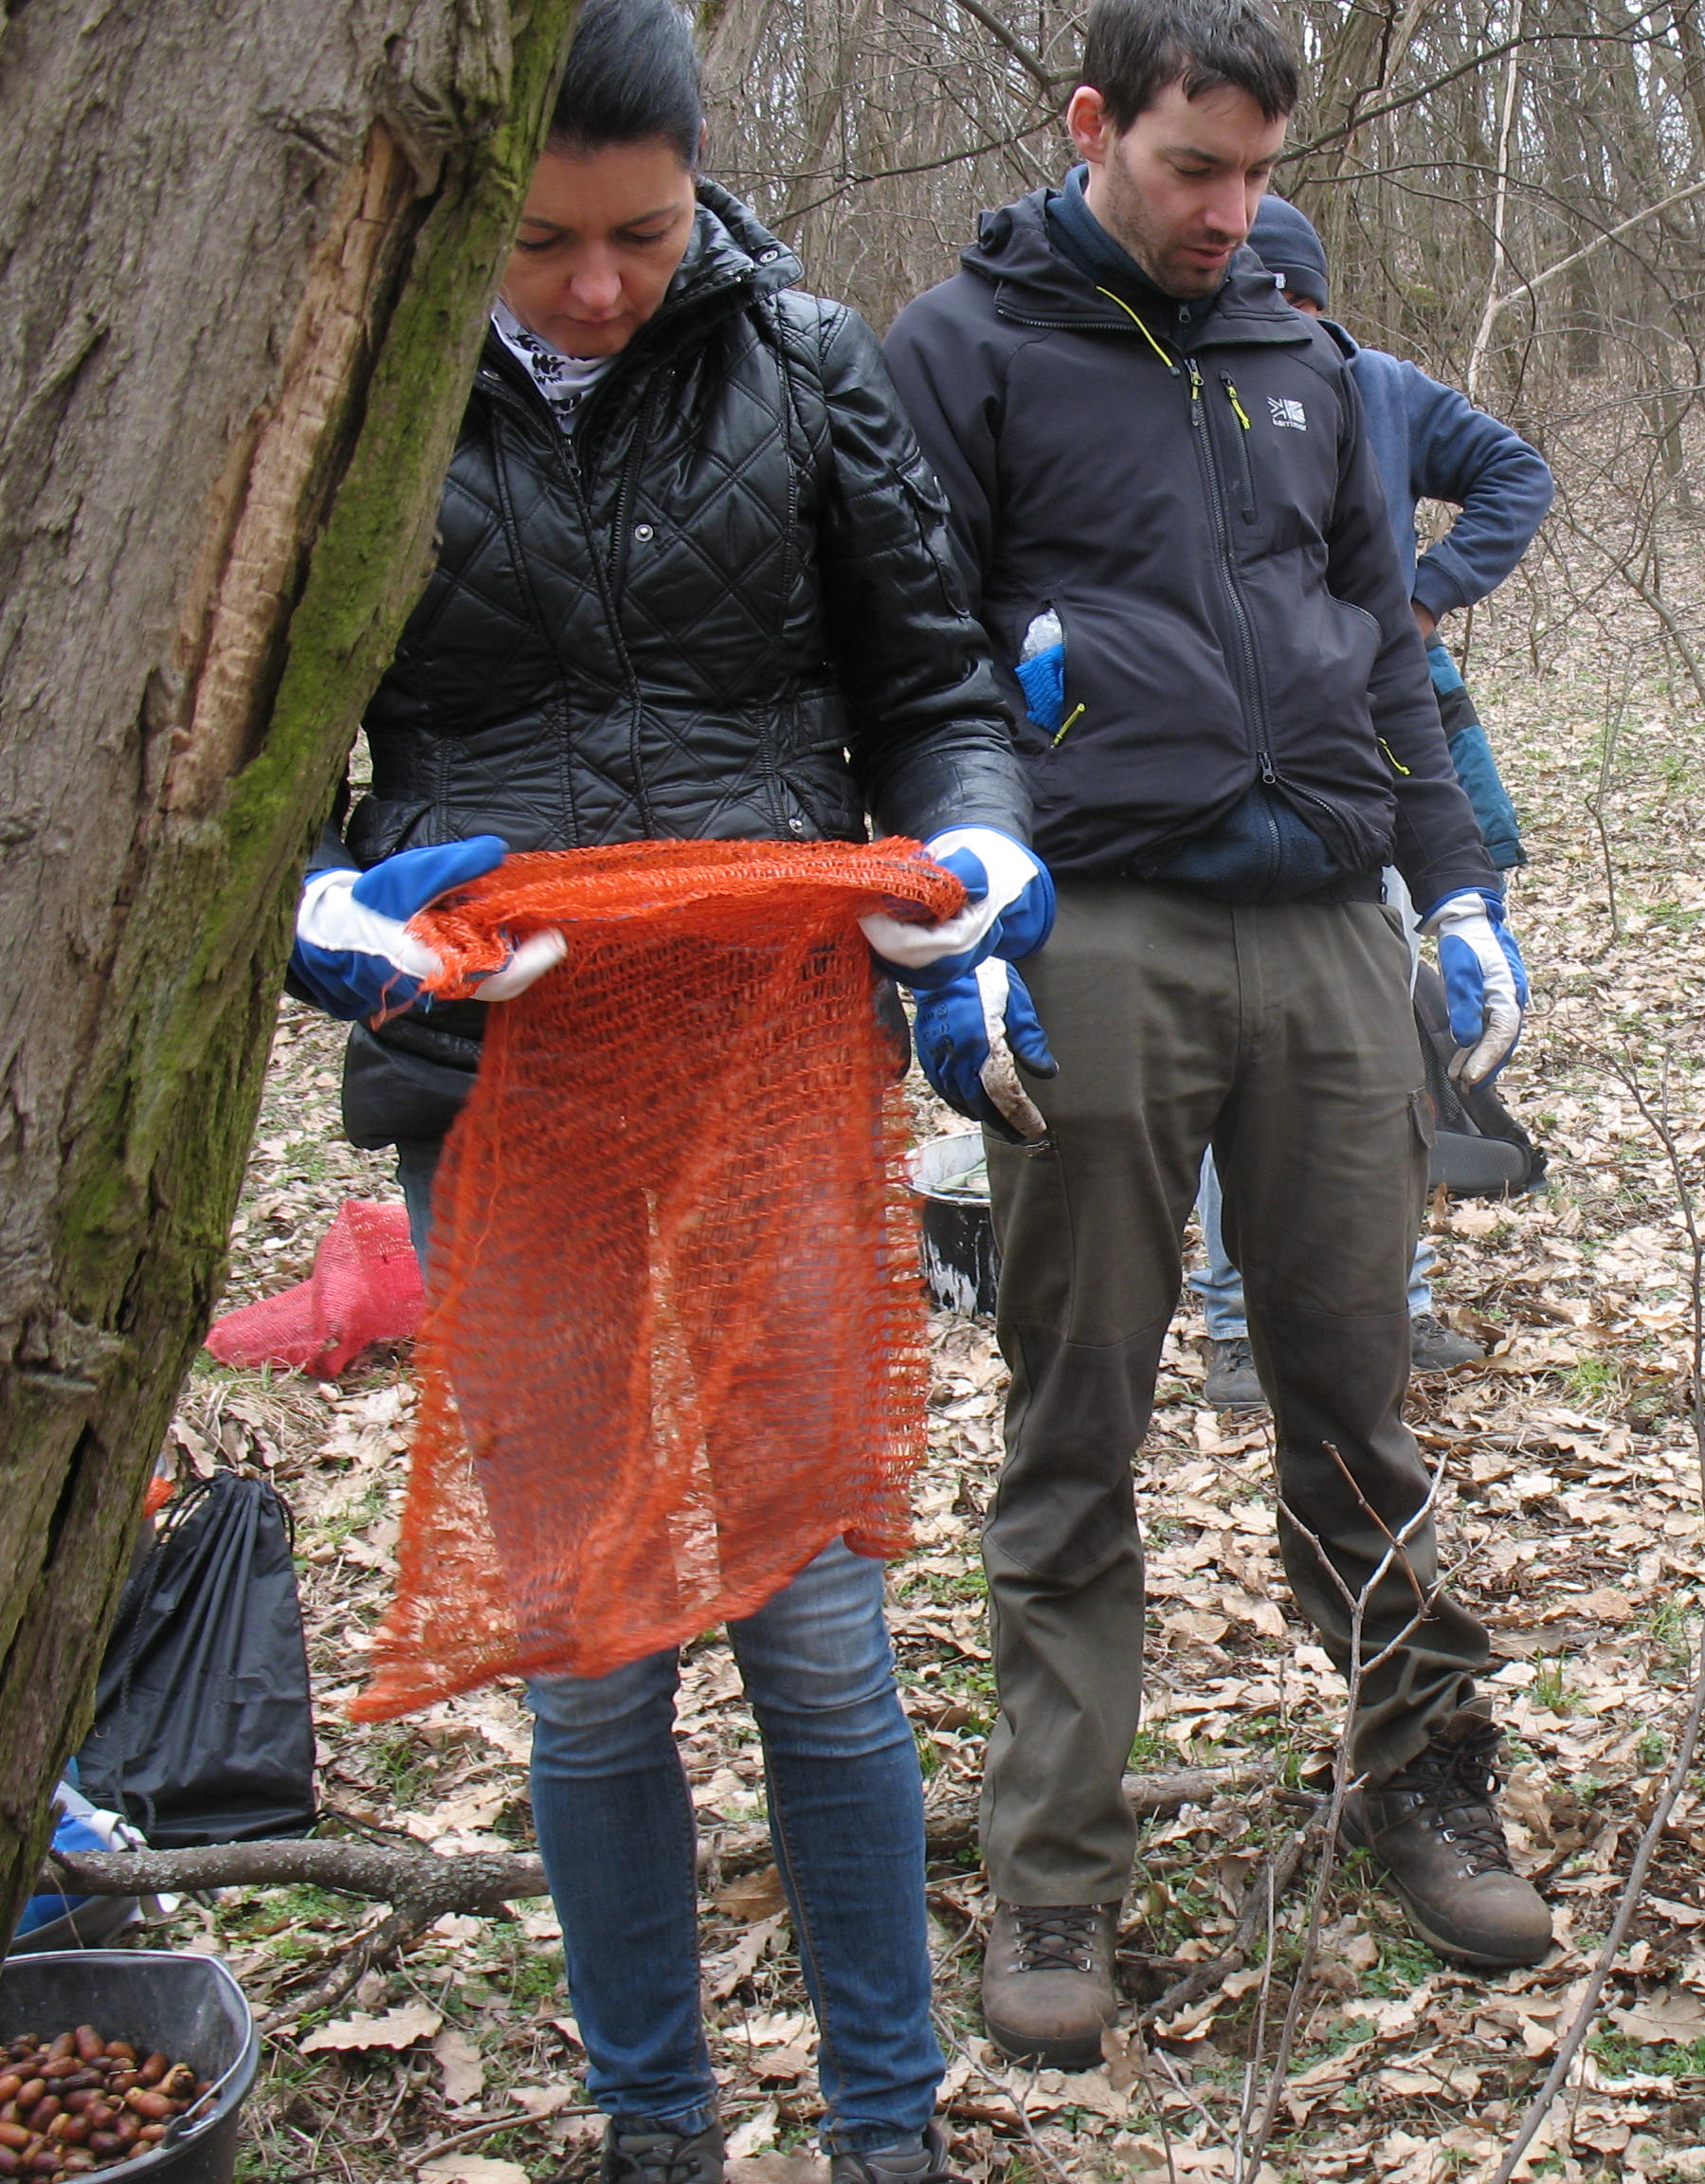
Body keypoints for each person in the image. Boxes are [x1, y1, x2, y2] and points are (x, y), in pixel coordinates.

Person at [281, 5, 1035, 2178]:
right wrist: (324, 916)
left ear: (700, 182)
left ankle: (884, 2129)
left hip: (769, 1084)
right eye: (540, 242)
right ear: (466, 214)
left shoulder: (805, 366)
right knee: (589, 1661)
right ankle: (653, 2128)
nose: (595, 285)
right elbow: (241, 764)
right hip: (494, 1101)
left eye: (638, 230)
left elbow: (935, 696)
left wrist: (977, 848)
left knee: (813, 1631)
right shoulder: (366, 392)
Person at [880, 0, 1551, 2072]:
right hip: (1096, 925)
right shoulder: (961, 356)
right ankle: (1056, 1868)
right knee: (1076, 1409)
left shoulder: (1307, 359)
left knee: (1354, 1384)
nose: (1231, 213)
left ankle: (1419, 1774)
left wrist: (1453, 887)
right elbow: (903, 665)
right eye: (1194, 167)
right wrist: (944, 925)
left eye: (1260, 173)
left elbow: (1396, 661)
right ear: (1095, 125)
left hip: (1328, 926)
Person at [1188, 194, 1557, 1409]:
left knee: (1402, 1018)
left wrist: (1427, 591)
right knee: (1236, 1043)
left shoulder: (1376, 386)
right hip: (1251, 760)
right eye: (1259, 296)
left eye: (1295, 298)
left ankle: (1396, 1300)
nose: (1278, 318)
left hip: (1391, 723)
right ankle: (1240, 1326)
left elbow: (1514, 469)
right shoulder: (1186, 383)